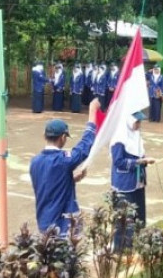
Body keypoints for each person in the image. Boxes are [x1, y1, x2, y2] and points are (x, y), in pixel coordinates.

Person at [30, 98, 100, 235]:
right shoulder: (63, 161)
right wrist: (92, 112)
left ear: (45, 135)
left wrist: (70, 179)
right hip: (63, 225)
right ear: (63, 137)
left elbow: (49, 185)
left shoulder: (35, 162)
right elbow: (85, 145)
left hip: (44, 222)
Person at [110, 111, 155, 251]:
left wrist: (145, 160)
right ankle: (121, 249)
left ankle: (138, 244)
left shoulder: (136, 136)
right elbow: (118, 161)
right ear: (129, 121)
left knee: (139, 215)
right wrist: (140, 161)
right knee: (125, 218)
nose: (139, 125)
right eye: (137, 122)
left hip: (138, 183)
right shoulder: (119, 138)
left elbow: (140, 154)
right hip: (125, 184)